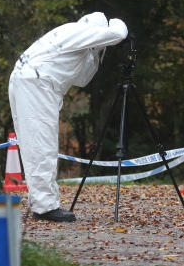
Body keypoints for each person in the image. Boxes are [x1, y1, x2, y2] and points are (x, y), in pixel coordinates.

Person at [9, 12, 128, 222]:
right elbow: (118, 33)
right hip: (37, 83)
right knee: (41, 145)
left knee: (35, 144)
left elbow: (83, 79)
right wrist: (116, 23)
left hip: (30, 81)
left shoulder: (72, 39)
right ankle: (45, 207)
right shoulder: (77, 31)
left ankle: (42, 203)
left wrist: (97, 51)